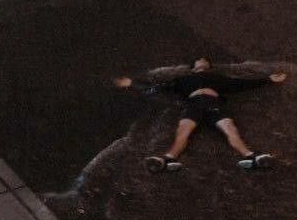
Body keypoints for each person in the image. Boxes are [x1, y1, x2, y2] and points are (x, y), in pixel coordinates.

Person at [114, 58, 286, 172]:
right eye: (199, 61)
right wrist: (133, 83)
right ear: (194, 66)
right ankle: (167, 159)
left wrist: (269, 79)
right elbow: (159, 86)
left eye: (205, 61)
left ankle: (251, 156)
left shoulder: (218, 78)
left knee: (230, 130)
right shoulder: (183, 79)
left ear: (208, 66)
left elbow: (242, 83)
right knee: (183, 133)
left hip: (213, 103)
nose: (202, 62)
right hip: (194, 104)